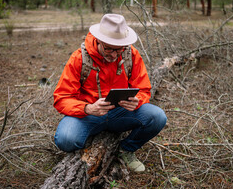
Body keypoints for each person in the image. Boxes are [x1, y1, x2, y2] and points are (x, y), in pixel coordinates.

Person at [53, 14, 167, 173]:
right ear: (98, 40)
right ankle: (85, 150)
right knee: (66, 139)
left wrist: (137, 101)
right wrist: (87, 108)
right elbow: (61, 98)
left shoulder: (131, 55)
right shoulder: (79, 58)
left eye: (118, 49)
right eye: (108, 48)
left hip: (120, 113)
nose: (113, 54)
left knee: (157, 117)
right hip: (87, 115)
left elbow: (143, 89)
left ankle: (126, 150)